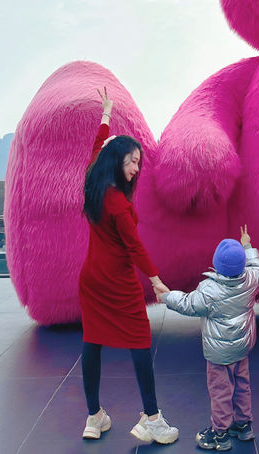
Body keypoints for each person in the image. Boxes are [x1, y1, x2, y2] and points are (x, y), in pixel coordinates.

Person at [79, 87, 179, 445]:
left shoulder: (94, 180)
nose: (136, 169)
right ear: (116, 162)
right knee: (139, 341)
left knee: (92, 344)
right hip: (117, 282)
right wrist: (156, 280)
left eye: (138, 162)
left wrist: (106, 116)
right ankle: (151, 418)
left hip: (91, 281)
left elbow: (96, 148)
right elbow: (135, 247)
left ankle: (94, 417)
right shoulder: (118, 202)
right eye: (131, 162)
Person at [156, 226, 259, 452]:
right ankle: (243, 426)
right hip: (242, 348)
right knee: (242, 385)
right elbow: (258, 266)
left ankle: (220, 434)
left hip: (218, 355)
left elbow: (187, 303)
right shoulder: (252, 280)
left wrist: (166, 296)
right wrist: (247, 245)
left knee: (221, 391)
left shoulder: (210, 290)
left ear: (217, 265)